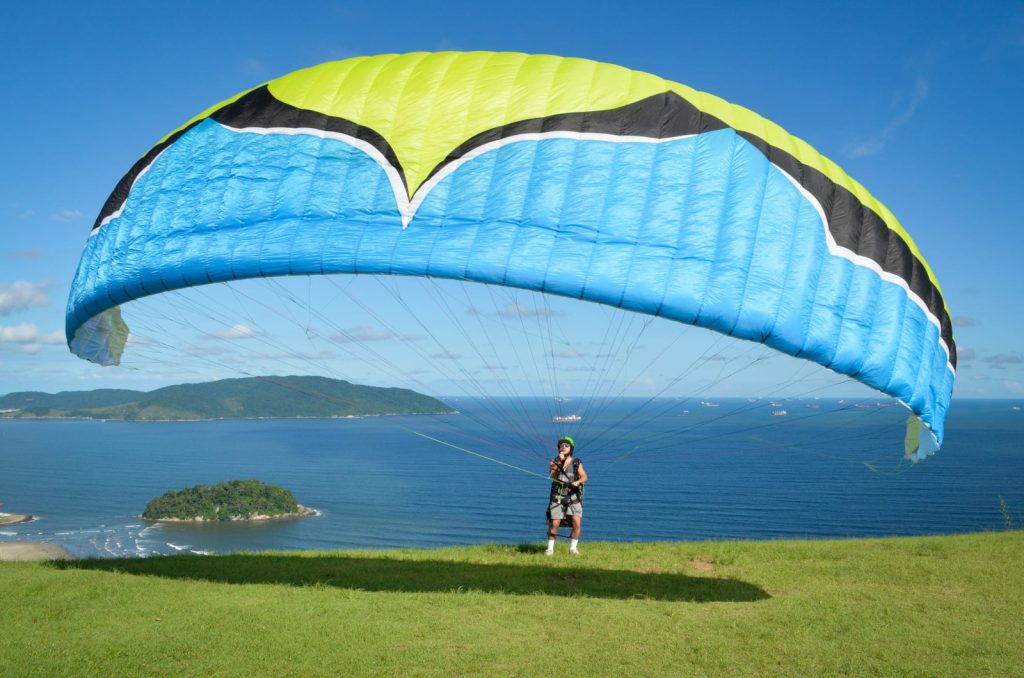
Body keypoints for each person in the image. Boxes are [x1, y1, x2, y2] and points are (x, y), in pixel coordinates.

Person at [545, 435, 587, 556]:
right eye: (561, 446)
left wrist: (578, 482)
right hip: (558, 496)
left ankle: (573, 549)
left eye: (566, 445)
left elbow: (585, 476)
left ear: (571, 448)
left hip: (573, 497)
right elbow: (552, 476)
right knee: (554, 523)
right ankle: (550, 549)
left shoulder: (576, 462)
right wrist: (559, 460)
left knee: (576, 522)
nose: (563, 447)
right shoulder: (554, 461)